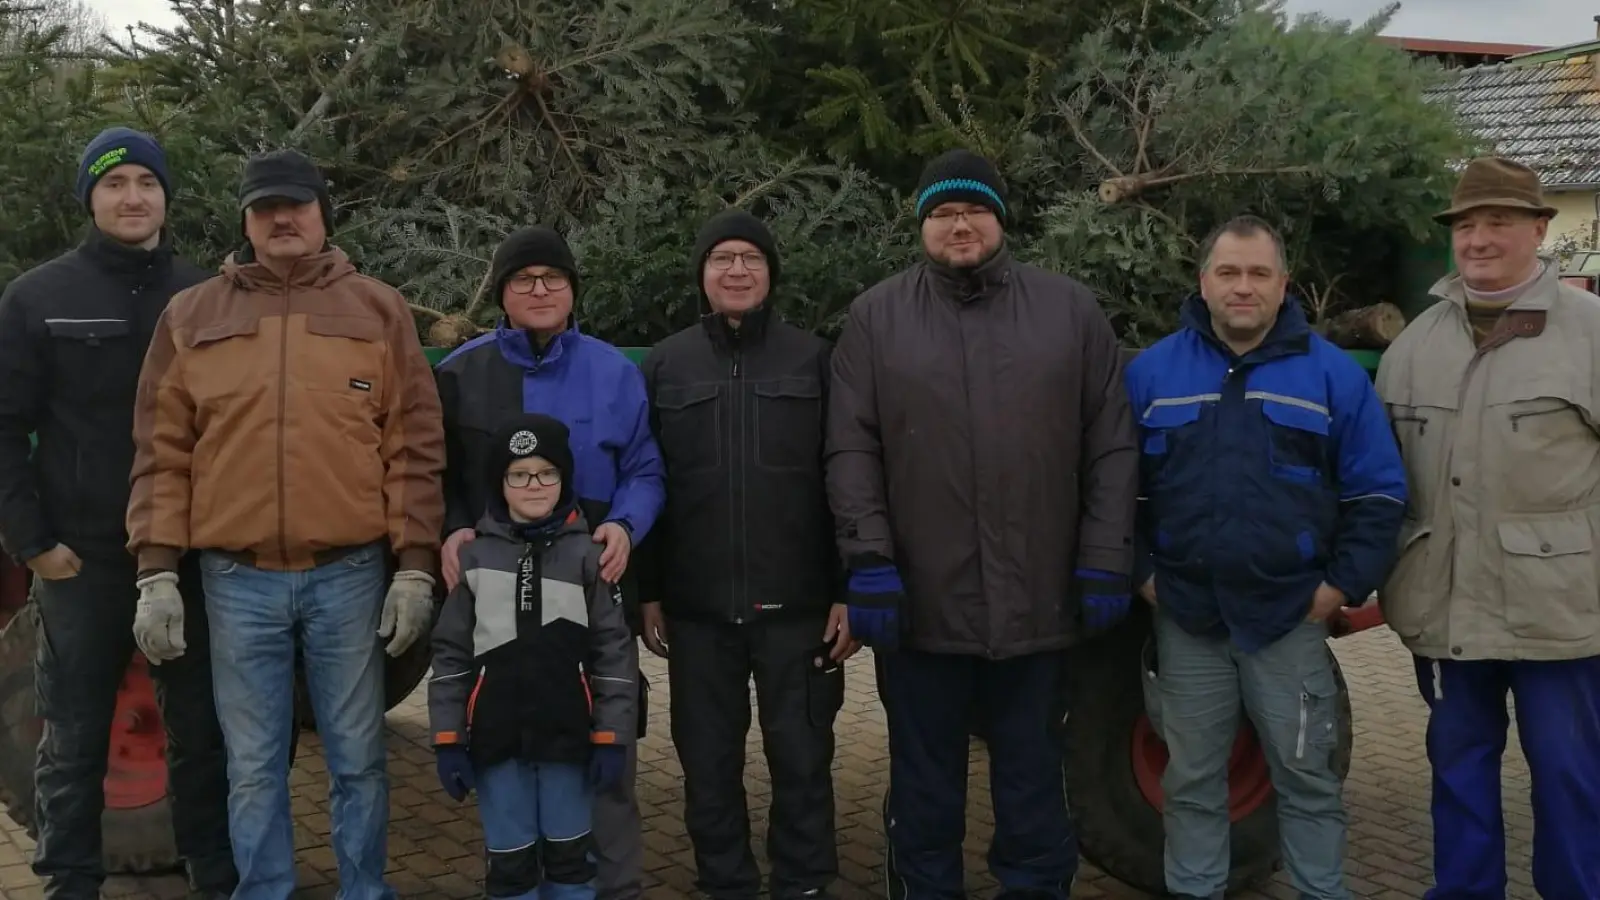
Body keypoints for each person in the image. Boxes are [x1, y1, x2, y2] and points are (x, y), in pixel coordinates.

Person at [125, 147, 445, 900]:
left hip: (351, 575)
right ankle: (264, 890)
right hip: (236, 584)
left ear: (321, 212)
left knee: (359, 757)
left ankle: (364, 890)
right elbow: (162, 450)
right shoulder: (194, 315)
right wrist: (158, 573)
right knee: (254, 763)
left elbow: (414, 445)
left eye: (296, 204)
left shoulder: (377, 308)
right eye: (266, 207)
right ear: (246, 221)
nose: (282, 218)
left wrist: (414, 567)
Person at [824, 148, 1139, 899]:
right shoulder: (876, 317)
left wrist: (1105, 559)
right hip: (922, 613)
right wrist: (868, 561)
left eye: (973, 210)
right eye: (941, 212)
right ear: (922, 225)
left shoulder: (1070, 312)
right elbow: (849, 448)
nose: (958, 225)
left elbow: (1112, 444)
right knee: (925, 790)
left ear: (1000, 219)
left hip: (1039, 609)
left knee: (1034, 787)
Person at [1126, 215, 1407, 900]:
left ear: (1283, 285)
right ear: (1204, 281)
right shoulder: (1152, 374)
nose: (1242, 287)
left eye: (1258, 274)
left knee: (1306, 779)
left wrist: (1340, 586)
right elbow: (1113, 492)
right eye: (1228, 272)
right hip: (1188, 619)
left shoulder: (1333, 376)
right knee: (1191, 782)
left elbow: (1378, 492)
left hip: (1289, 621)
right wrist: (1140, 573)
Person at [0, 127, 237, 900]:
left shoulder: (206, 296)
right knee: (71, 740)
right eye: (113, 183)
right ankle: (70, 883)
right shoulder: (39, 298)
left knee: (202, 737)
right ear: (89, 198)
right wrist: (34, 545)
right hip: (84, 559)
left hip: (192, 556)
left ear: (166, 195)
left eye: (145, 181)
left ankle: (215, 875)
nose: (131, 197)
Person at [1375, 157, 1600, 900]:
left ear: (1540, 229)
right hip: (1445, 607)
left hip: (1559, 614)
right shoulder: (1413, 346)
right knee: (1460, 774)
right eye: (1466, 224)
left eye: (1498, 221)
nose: (1477, 238)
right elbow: (1383, 484)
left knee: (1571, 780)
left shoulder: (1589, 334)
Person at [433, 225, 664, 900]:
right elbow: (434, 472)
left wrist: (625, 523)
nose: (540, 290)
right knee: (505, 750)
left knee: (606, 742)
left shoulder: (614, 370)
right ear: (502, 293)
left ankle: (614, 888)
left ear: (572, 290)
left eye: (553, 279)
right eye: (524, 280)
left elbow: (646, 467)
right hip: (495, 596)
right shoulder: (461, 373)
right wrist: (450, 529)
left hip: (591, 582)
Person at [637, 209, 854, 900]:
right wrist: (647, 591)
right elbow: (646, 478)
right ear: (702, 276)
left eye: (751, 259)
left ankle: (804, 880)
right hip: (697, 610)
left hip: (799, 607)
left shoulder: (816, 359)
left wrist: (849, 590)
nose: (737, 270)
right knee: (707, 763)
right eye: (722, 258)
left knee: (802, 758)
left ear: (770, 274)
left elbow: (846, 479)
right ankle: (725, 881)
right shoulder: (665, 365)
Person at [428, 413, 636, 900]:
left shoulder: (589, 558)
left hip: (569, 739)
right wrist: (447, 737)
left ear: (563, 478)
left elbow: (613, 653)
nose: (534, 485)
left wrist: (611, 736)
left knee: (570, 865)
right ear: (500, 484)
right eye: (518, 474)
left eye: (547, 472)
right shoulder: (475, 559)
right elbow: (451, 656)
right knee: (511, 869)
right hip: (496, 744)